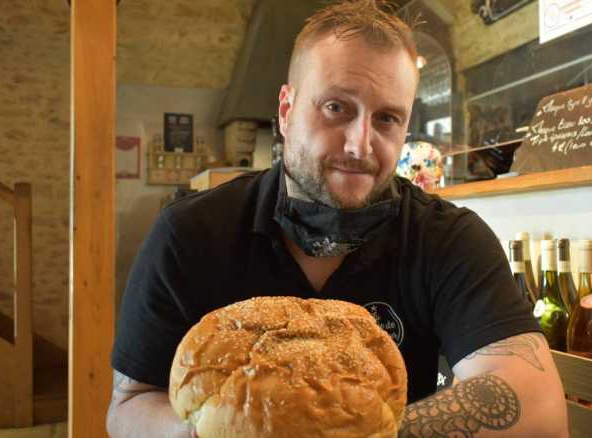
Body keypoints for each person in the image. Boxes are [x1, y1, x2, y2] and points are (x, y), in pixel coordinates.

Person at [106, 1, 568, 437]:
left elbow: (539, 410)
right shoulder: (189, 233)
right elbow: (128, 404)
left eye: (386, 118)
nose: (359, 144)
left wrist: (358, 431)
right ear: (286, 111)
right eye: (336, 108)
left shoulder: (448, 239)